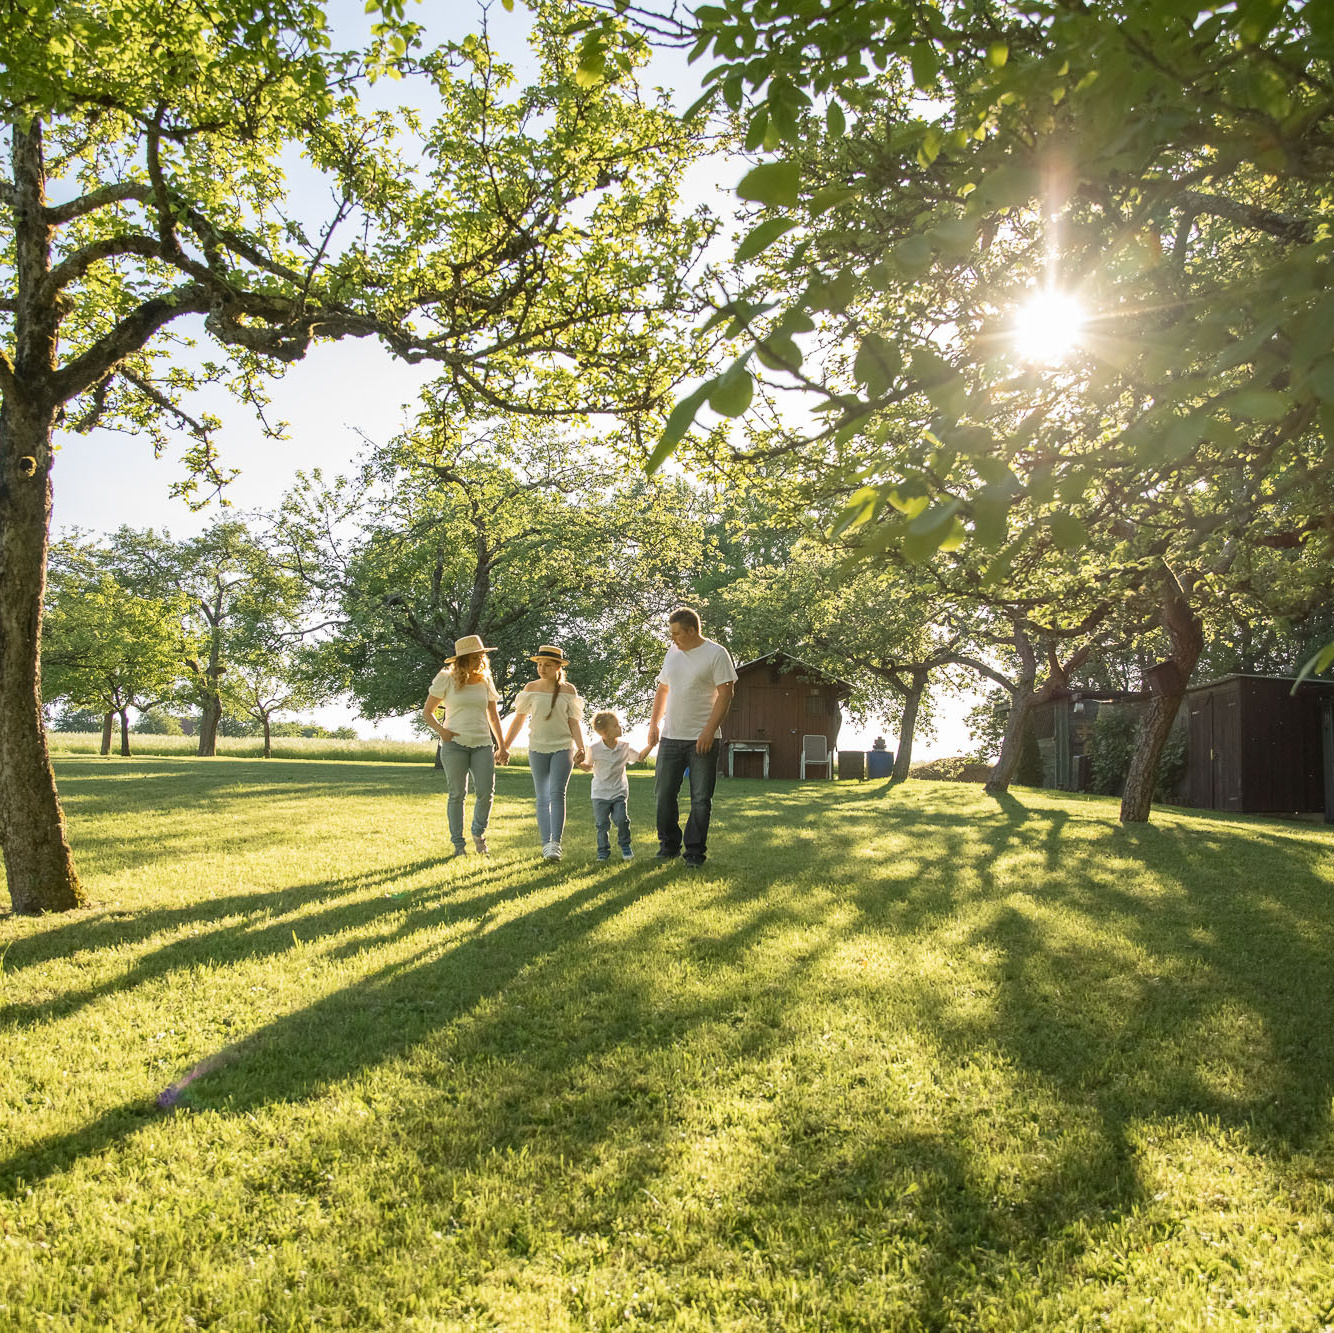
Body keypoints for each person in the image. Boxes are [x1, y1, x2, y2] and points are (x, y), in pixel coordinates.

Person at [646, 606, 737, 867]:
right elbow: (663, 690)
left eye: (677, 634)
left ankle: (694, 853)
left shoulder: (716, 654)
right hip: (671, 737)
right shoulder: (672, 653)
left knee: (700, 799)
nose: (673, 639)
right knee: (663, 795)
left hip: (702, 739)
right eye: (671, 634)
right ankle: (668, 846)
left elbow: (726, 694)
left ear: (692, 630)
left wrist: (708, 731)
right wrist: (654, 724)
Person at [423, 634, 507, 857]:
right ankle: (458, 845)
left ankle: (479, 836)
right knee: (457, 794)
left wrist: (502, 744)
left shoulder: (485, 680)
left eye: (481, 656)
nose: (479, 660)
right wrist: (442, 731)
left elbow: (493, 714)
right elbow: (428, 712)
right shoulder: (446, 678)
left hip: (482, 743)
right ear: (463, 659)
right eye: (474, 657)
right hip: (454, 744)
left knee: (486, 792)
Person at [501, 644, 586, 861]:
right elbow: (519, 720)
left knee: (557, 793)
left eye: (548, 664)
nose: (542, 668)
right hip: (537, 748)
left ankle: (555, 844)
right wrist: (505, 746)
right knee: (542, 796)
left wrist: (581, 747)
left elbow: (574, 723)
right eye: (539, 664)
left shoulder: (569, 690)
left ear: (558, 667)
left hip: (563, 747)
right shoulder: (530, 688)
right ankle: (545, 844)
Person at [578, 710, 653, 862]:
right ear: (604, 732)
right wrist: (578, 762)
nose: (620, 727)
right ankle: (603, 852)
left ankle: (625, 846)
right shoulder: (594, 749)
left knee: (622, 820)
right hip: (599, 794)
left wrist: (651, 745)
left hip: (619, 791)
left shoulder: (624, 747)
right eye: (616, 725)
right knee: (602, 825)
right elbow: (587, 767)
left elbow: (639, 757)